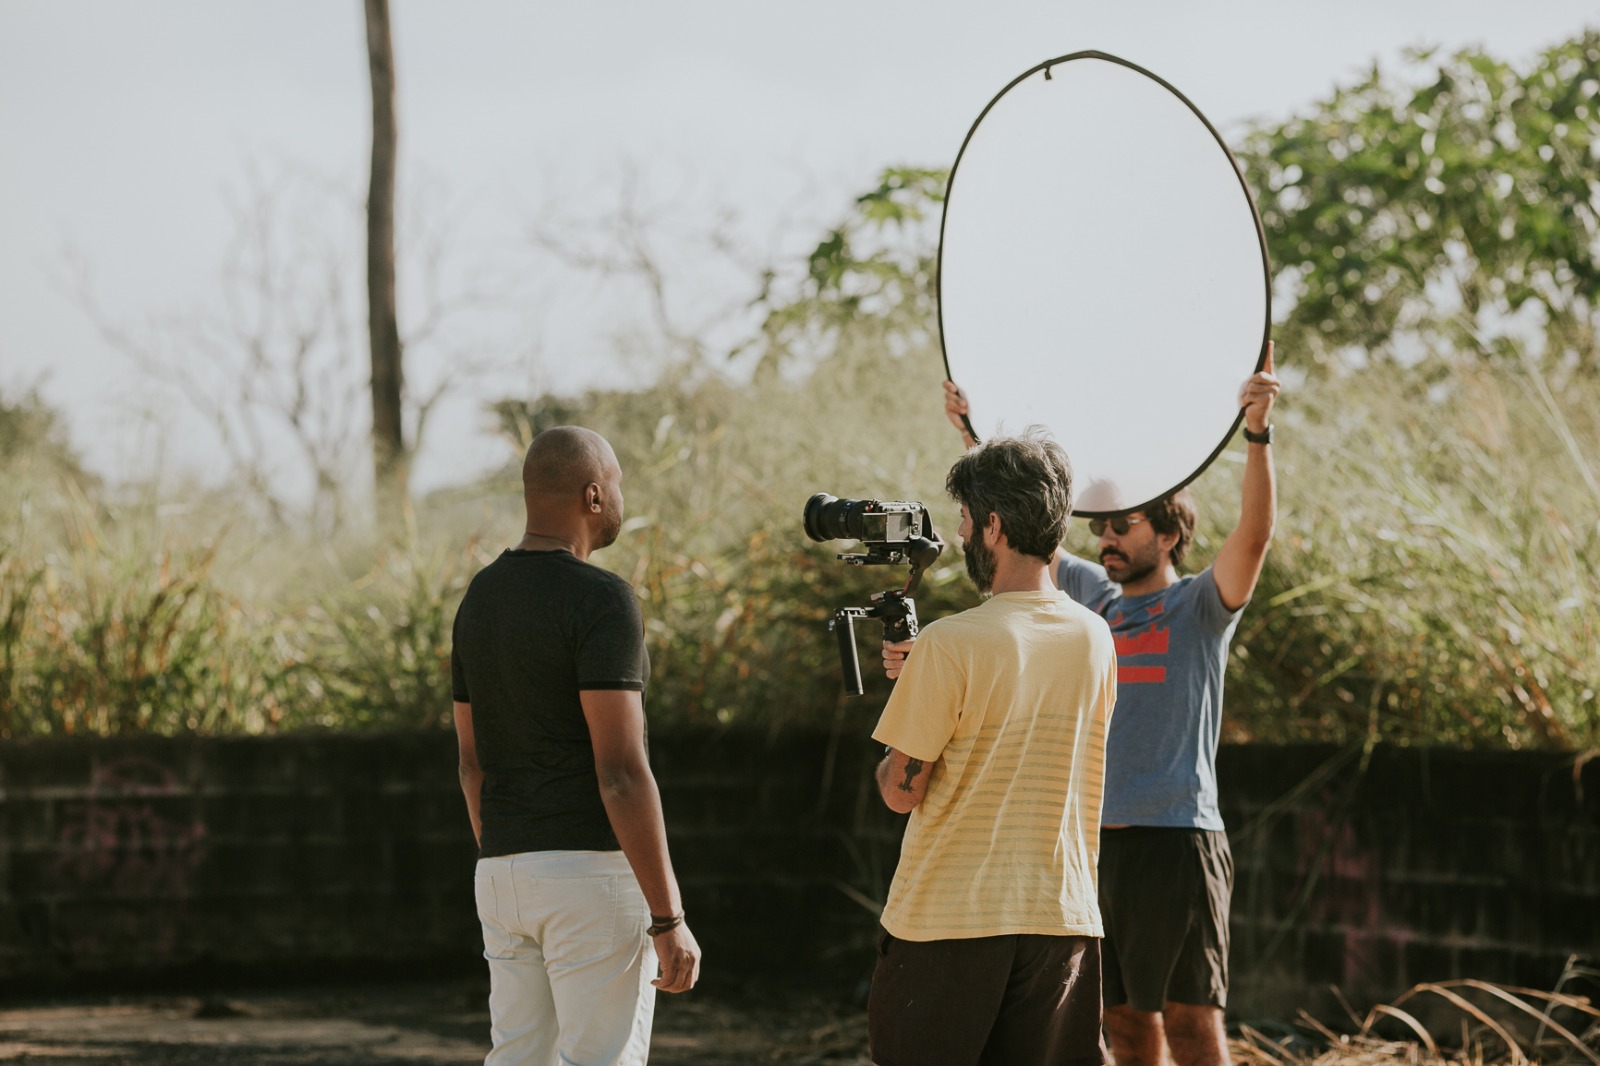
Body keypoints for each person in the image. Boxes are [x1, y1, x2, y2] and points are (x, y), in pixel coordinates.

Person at [937, 344, 1281, 1066]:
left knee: (1192, 1026)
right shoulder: (1094, 599)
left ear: (1170, 533)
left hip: (1178, 839)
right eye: (1102, 529)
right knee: (1122, 1025)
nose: (1107, 538)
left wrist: (1256, 433)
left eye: (1123, 526)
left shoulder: (1199, 607)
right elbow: (1027, 530)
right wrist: (973, 436)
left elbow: (1254, 536)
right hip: (1097, 844)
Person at [450, 425, 701, 1066]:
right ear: (593, 496)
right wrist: (668, 919)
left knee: (517, 1059)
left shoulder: (479, 598)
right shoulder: (603, 599)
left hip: (502, 871)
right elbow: (620, 771)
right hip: (588, 875)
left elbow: (471, 762)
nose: (620, 496)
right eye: (617, 484)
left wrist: (510, 854)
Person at [868, 430, 1119, 1066]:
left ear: (994, 526)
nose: (959, 534)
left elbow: (903, 791)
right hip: (1061, 919)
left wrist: (914, 696)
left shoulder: (951, 643)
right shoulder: (1096, 638)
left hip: (950, 920)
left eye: (964, 520)